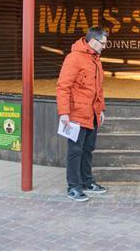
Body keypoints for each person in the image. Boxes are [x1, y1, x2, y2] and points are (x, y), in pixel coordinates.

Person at [56, 27, 109, 202]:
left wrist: (100, 110)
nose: (104, 46)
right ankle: (73, 186)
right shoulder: (74, 58)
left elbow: (98, 88)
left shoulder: (95, 59)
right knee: (75, 151)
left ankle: (87, 182)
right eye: (103, 43)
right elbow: (63, 86)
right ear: (94, 42)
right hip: (76, 114)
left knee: (88, 149)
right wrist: (64, 113)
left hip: (92, 113)